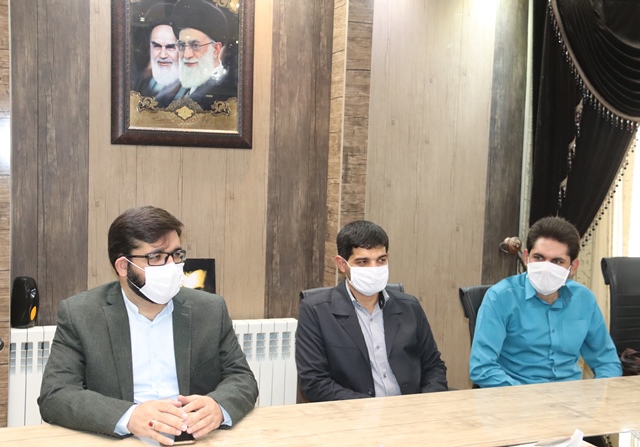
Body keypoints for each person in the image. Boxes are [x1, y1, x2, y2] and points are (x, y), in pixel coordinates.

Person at [38, 206, 258, 445]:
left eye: (176, 255)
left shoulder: (210, 309)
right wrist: (129, 416)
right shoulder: (80, 314)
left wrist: (217, 406)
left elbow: (241, 378)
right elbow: (55, 395)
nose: (171, 266)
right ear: (123, 266)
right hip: (123, 440)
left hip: (195, 440)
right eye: (156, 257)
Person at [295, 220, 448, 402]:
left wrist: (425, 405)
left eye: (381, 260)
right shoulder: (315, 311)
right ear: (342, 264)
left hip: (411, 410)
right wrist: (372, 410)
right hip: (353, 413)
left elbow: (433, 366)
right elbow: (315, 383)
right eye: (363, 262)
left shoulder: (409, 306)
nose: (374, 269)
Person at [469, 216, 622, 388]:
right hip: (517, 396)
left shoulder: (584, 299)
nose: (546, 268)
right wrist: (528, 398)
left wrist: (596, 396)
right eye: (539, 258)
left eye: (557, 261)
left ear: (572, 267)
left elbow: (607, 362)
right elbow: (482, 368)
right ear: (526, 257)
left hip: (571, 397)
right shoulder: (500, 297)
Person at [169, 0, 238, 110]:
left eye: (195, 45)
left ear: (215, 49)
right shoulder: (189, 85)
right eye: (182, 45)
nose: (186, 55)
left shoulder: (222, 91)